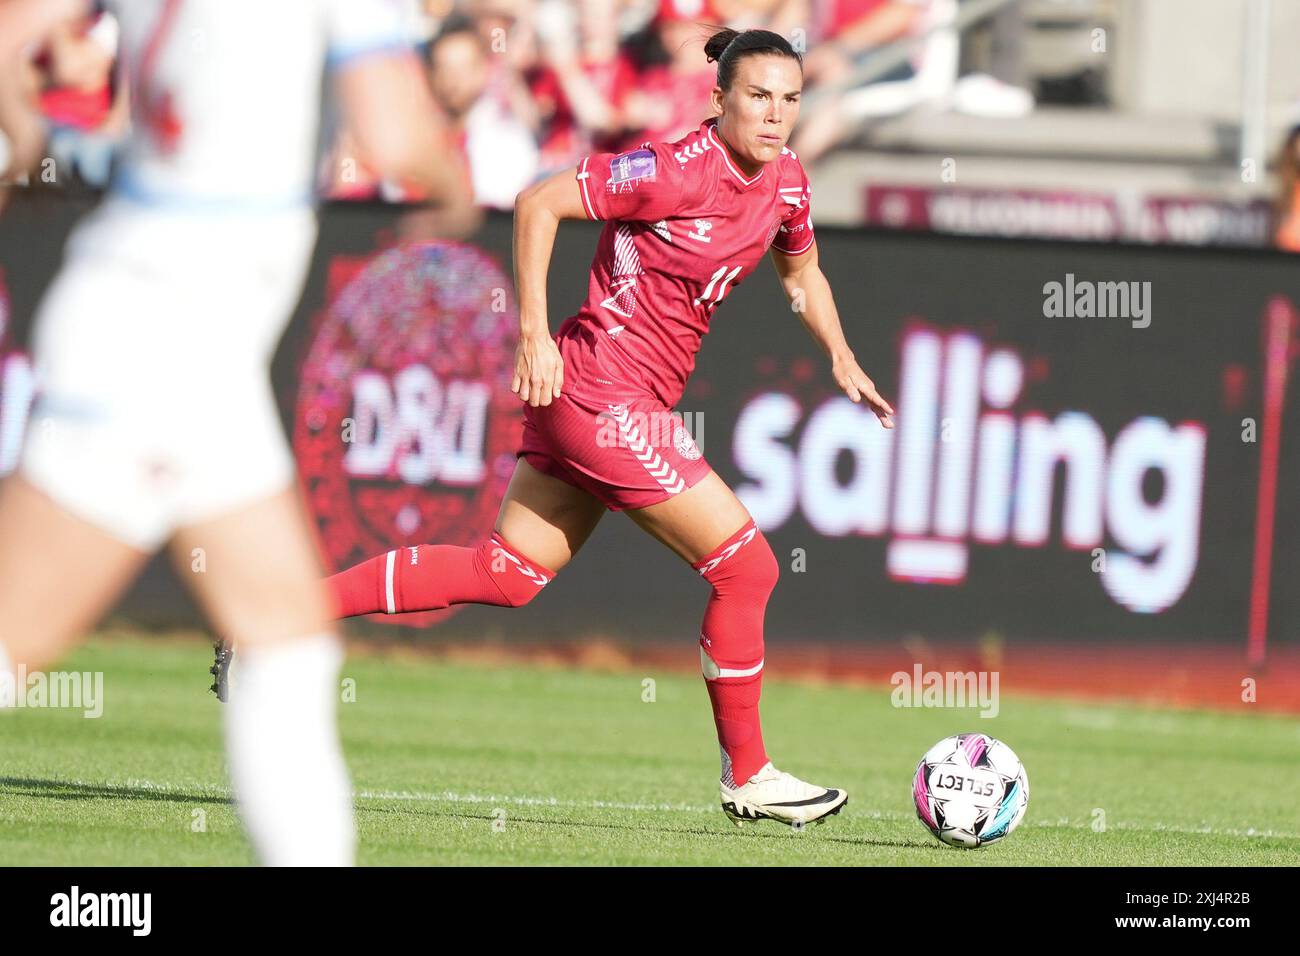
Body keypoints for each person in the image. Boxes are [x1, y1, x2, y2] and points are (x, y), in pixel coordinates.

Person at [327, 25, 894, 828]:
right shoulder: (669, 169)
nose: (775, 115)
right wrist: (531, 331)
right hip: (599, 393)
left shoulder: (789, 184)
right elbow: (539, 200)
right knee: (747, 570)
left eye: (790, 99)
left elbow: (801, 271)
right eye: (758, 96)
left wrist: (838, 352)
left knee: (506, 575)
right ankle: (750, 774)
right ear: (720, 97)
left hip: (609, 403)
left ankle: (280, 619)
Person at [0, 0, 471, 864]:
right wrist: (453, 186)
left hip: (180, 340)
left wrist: (24, 138)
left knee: (288, 649)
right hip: (162, 338)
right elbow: (397, 134)